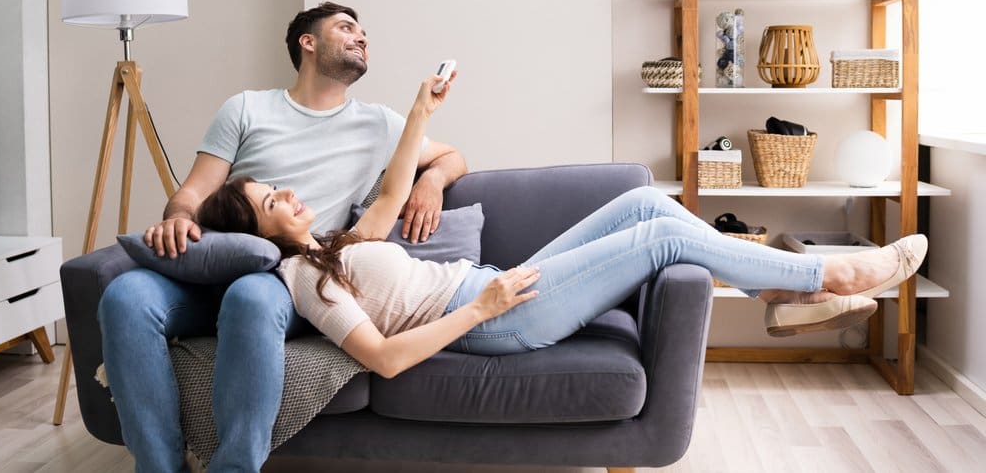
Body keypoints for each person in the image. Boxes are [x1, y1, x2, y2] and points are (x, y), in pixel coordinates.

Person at [196, 73, 928, 380]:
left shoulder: (335, 244)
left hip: (488, 287)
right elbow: (383, 359)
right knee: (662, 238)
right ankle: (824, 275)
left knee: (644, 204)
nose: (290, 192)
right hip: (490, 317)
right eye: (271, 199)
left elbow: (392, 189)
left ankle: (778, 295)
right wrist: (480, 307)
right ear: (259, 233)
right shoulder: (300, 278)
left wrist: (422, 111)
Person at [97, 2, 466, 473]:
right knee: (125, 294)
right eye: (346, 28)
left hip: (288, 277)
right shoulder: (246, 108)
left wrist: (430, 182)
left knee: (253, 296)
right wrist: (179, 216)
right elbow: (193, 190)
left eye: (364, 32)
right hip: (218, 261)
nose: (362, 37)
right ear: (306, 43)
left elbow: (452, 156)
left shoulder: (381, 123)